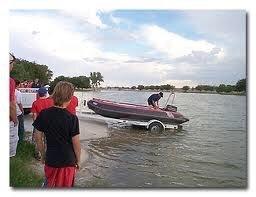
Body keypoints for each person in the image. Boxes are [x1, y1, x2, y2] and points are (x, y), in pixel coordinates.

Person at [33, 81, 81, 187]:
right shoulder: (72, 118)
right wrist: (78, 160)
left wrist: (43, 154)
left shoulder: (44, 114)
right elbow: (76, 143)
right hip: (68, 161)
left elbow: (38, 137)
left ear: (54, 94)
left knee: (50, 184)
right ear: (70, 98)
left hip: (51, 158)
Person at [31, 87, 53, 160]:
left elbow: (34, 115)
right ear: (46, 93)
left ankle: (38, 155)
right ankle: (48, 155)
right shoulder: (51, 102)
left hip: (39, 124)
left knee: (38, 139)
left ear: (38, 94)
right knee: (48, 140)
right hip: (49, 124)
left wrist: (35, 124)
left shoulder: (35, 103)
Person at [9, 53, 19, 157]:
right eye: (12, 64)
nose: (13, 67)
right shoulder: (10, 81)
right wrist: (15, 119)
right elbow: (11, 104)